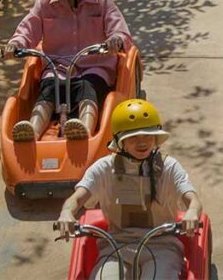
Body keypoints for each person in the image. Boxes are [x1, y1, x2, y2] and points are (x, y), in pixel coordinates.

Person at [56, 99, 203, 280]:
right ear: (120, 142)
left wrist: (192, 212)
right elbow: (77, 198)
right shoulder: (103, 168)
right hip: (116, 245)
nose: (142, 142)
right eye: (133, 137)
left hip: (162, 245)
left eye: (148, 136)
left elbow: (192, 199)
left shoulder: (169, 166)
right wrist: (66, 212)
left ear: (156, 138)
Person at [2, 0, 132, 141]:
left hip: (94, 66)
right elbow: (28, 29)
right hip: (58, 67)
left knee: (88, 91)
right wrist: (16, 43)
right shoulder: (45, 4)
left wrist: (116, 39)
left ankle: (84, 132)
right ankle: (31, 132)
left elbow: (120, 31)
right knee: (48, 93)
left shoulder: (102, 2)